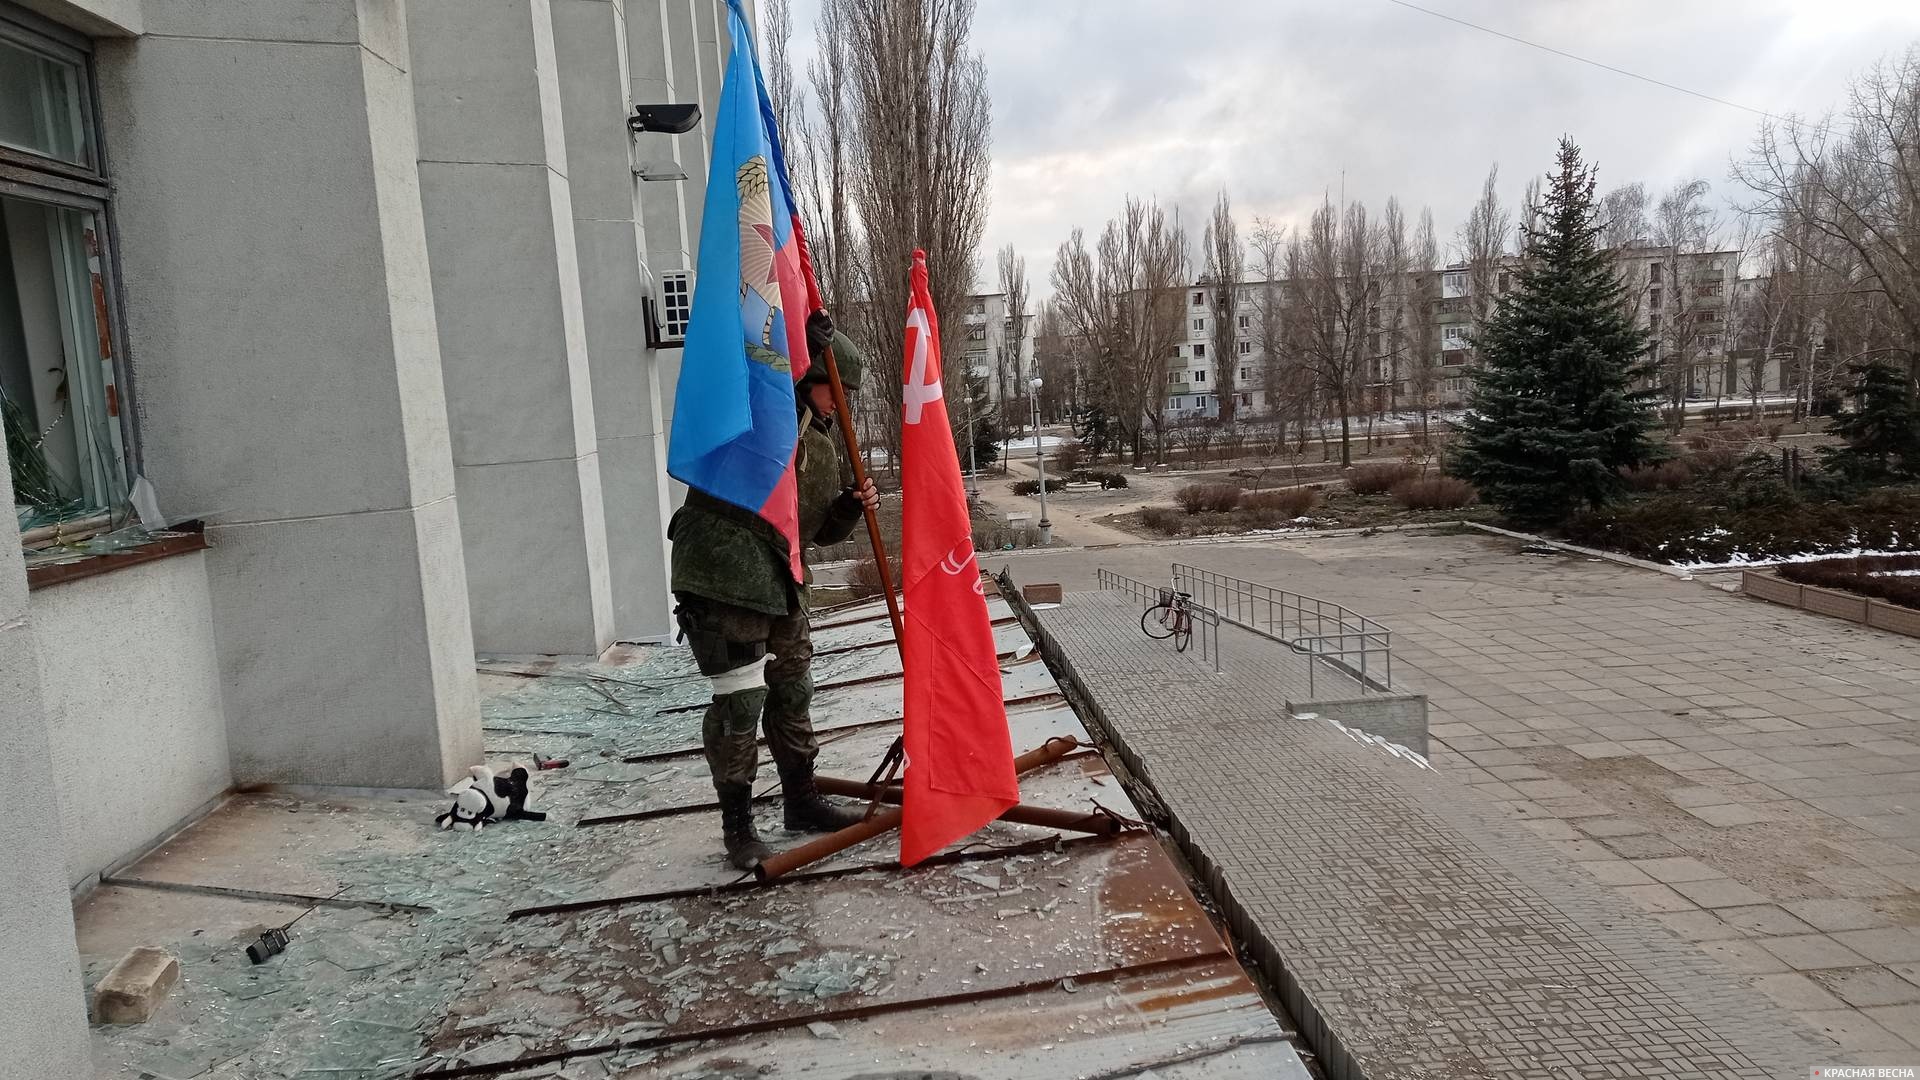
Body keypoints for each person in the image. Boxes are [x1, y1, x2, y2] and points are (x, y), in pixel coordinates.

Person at [668, 313, 880, 870]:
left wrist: (847, 508)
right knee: (740, 703)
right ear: (807, 377)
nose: (843, 403)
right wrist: (788, 352)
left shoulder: (820, 445)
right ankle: (738, 826)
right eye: (837, 389)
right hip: (724, 576)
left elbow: (813, 530)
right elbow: (750, 391)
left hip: (778, 577)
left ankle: (801, 799)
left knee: (792, 689)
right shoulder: (753, 418)